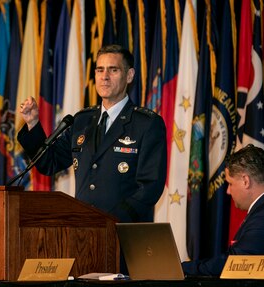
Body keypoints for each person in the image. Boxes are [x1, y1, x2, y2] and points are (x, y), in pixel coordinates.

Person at [17, 44, 167, 223]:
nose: (104, 77)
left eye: (113, 70)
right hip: (84, 233)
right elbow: (49, 162)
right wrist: (32, 123)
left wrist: (111, 220)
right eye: (99, 70)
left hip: (124, 234)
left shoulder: (147, 124)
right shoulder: (82, 120)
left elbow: (149, 187)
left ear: (129, 75)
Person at [182, 144, 264, 276]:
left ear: (245, 181)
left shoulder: (261, 216)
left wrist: (184, 269)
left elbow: (235, 263)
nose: (228, 191)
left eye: (230, 184)